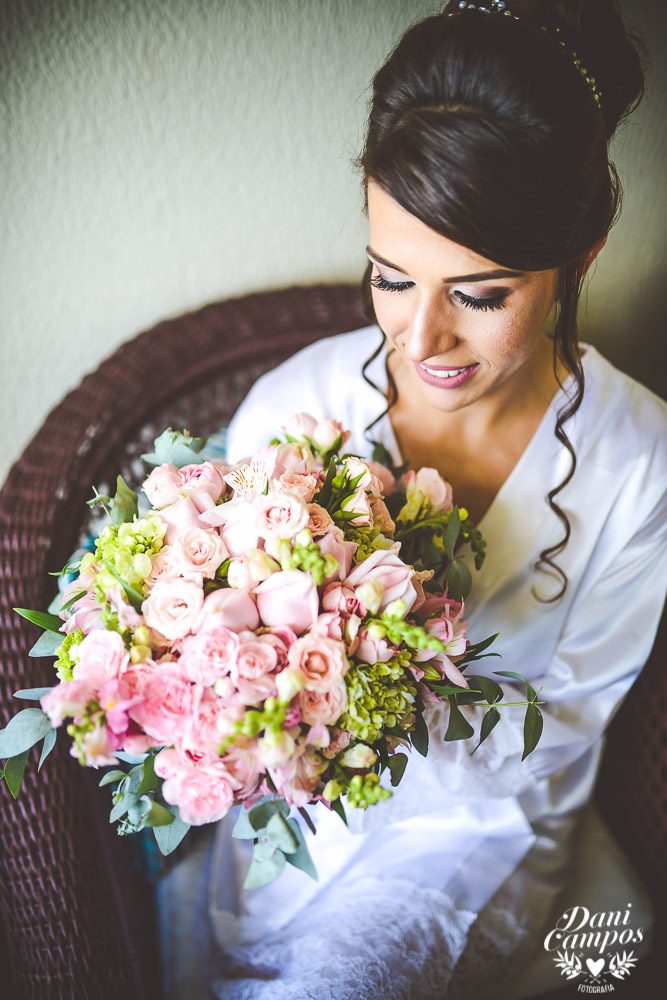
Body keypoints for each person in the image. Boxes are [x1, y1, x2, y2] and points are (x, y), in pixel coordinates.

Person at [159, 2, 666, 997]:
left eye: (478, 294)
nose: (421, 337)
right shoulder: (298, 406)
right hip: (301, 819)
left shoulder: (643, 461)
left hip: (489, 830)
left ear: (584, 253)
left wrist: (376, 689)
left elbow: (561, 723)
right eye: (390, 277)